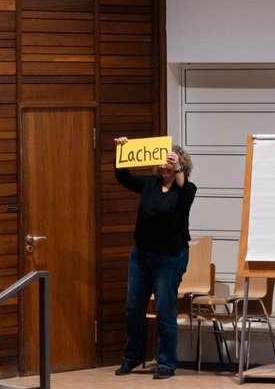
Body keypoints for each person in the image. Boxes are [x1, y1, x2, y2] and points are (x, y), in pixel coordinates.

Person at [111, 137, 196, 380]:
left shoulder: (186, 190)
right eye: (163, 160)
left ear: (180, 164)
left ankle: (166, 363)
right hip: (142, 254)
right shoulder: (149, 184)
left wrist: (177, 165)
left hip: (170, 257)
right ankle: (132, 357)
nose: (165, 165)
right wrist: (121, 150)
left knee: (164, 309)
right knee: (133, 307)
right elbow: (123, 177)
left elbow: (183, 186)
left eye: (170, 160)